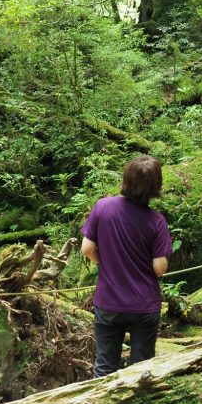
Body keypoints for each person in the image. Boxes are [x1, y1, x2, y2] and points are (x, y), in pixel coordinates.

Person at [80, 154, 173, 380]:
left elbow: (87, 248)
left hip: (109, 301)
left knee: (104, 368)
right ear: (155, 186)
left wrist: (107, 261)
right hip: (144, 305)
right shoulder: (156, 221)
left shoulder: (103, 207)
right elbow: (159, 268)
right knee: (142, 371)